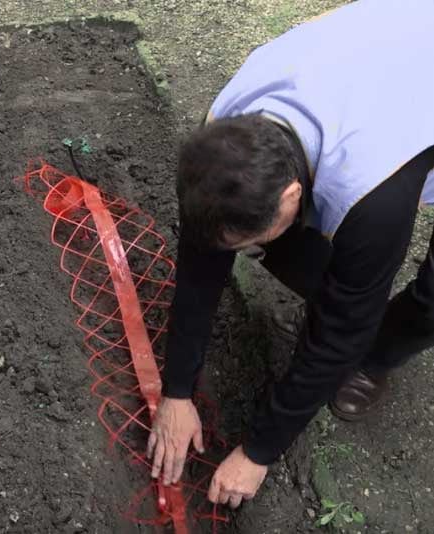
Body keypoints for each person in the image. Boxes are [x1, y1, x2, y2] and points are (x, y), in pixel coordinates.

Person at [146, 0, 434, 510]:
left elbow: (343, 327)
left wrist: (257, 451)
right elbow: (199, 267)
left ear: (290, 196)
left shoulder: (372, 196)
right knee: (325, 276)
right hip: (399, 55)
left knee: (389, 311)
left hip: (406, 103)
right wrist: (176, 390)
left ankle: (377, 357)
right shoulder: (223, 134)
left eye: (246, 242)